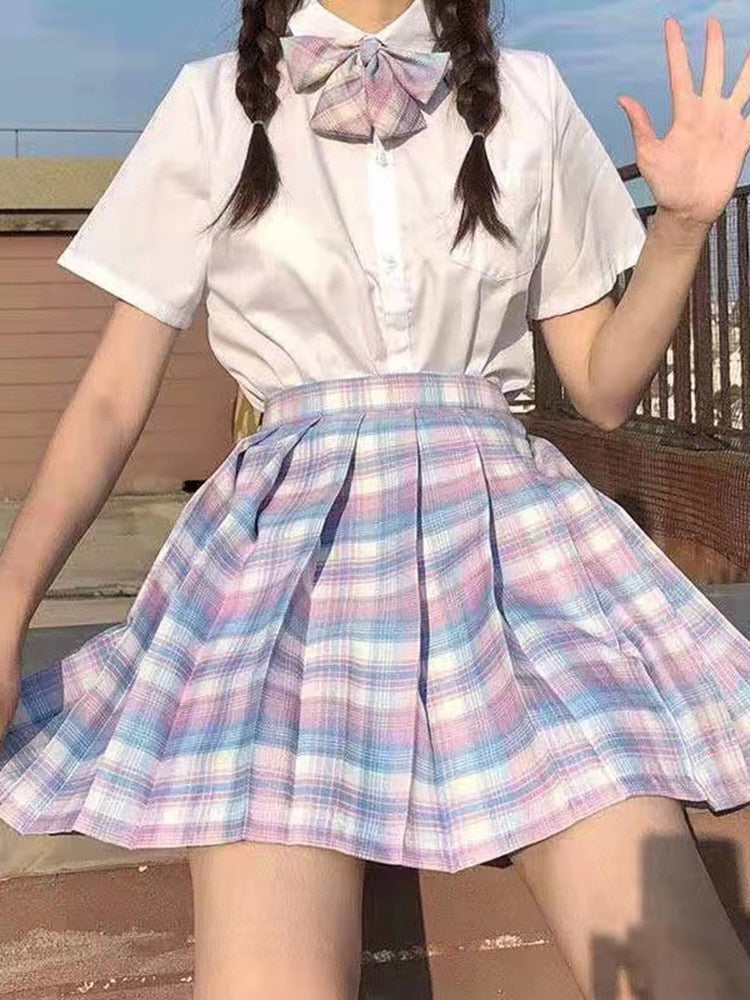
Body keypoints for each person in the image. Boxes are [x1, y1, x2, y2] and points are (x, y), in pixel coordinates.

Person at [0, 0, 749, 996]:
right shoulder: (211, 103)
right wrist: (7, 612)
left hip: (511, 564)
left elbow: (603, 387)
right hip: (286, 577)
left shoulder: (527, 95)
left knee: (686, 968)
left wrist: (684, 229)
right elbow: (109, 399)